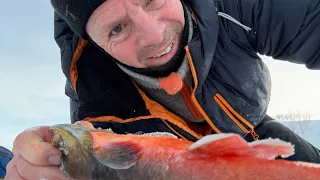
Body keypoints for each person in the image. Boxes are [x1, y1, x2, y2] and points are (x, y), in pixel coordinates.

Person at [5, 0, 320, 179]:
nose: (154, 36)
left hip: (247, 125)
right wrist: (51, 162)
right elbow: (87, 155)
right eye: (117, 28)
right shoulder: (95, 99)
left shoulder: (233, 5)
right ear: (97, 45)